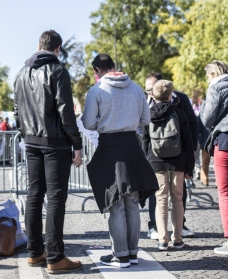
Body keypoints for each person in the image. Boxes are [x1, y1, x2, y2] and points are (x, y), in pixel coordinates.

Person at [14, 29, 83, 274]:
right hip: (55, 143)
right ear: (57, 49)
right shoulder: (58, 71)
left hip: (31, 142)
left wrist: (25, 135)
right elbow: (66, 111)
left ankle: (35, 253)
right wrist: (77, 143)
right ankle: (55, 257)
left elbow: (17, 110)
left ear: (38, 45)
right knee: (55, 199)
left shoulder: (21, 73)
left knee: (34, 196)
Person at [82, 53, 158, 268]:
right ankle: (132, 253)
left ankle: (120, 255)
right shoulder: (135, 88)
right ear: (114, 66)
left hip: (110, 147)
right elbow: (145, 119)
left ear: (97, 70)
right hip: (132, 146)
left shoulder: (96, 90)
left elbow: (88, 122)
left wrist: (106, 121)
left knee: (115, 202)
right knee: (132, 202)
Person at [144, 72, 198, 239]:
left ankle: (167, 236)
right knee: (172, 197)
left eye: (151, 89)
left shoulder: (152, 111)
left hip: (165, 160)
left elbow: (143, 138)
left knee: (166, 198)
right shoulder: (147, 105)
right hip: (173, 160)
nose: (149, 92)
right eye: (147, 90)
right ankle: (171, 235)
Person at [200, 60, 228, 256]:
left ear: (212, 74)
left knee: (225, 192)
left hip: (225, 140)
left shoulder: (215, 87)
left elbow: (207, 119)